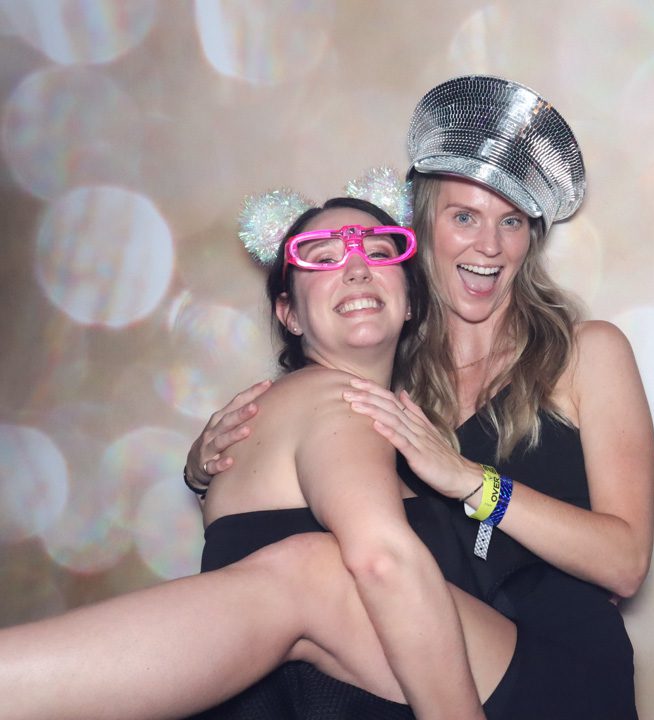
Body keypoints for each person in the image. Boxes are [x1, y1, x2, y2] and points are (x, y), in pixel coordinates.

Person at [188, 75, 654, 717]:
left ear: (531, 238)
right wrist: (205, 466)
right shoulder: (386, 379)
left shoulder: (586, 353)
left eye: (511, 221)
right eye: (464, 217)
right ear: (423, 226)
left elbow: (625, 563)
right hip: (428, 673)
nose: (489, 245)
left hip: (558, 665)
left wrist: (469, 481)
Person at [0, 195, 529, 720]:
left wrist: (196, 477)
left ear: (410, 300)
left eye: (377, 253)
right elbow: (382, 559)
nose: (356, 269)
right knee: (315, 569)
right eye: (324, 259)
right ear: (289, 314)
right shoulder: (339, 400)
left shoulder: (291, 424)